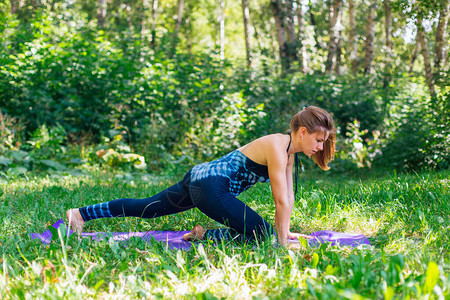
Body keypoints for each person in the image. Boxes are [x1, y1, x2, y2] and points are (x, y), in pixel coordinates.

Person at [66, 106, 336, 246]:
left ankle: (80, 214)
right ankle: (208, 236)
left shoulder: (288, 152)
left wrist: (285, 233)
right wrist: (279, 241)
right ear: (302, 132)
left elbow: (288, 196)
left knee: (147, 208)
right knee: (263, 235)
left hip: (200, 177)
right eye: (319, 140)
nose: (321, 147)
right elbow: (280, 200)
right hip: (210, 187)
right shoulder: (277, 147)